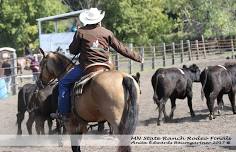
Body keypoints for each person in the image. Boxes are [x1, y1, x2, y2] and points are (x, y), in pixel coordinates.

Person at [52, 8, 142, 121]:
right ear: (99, 20)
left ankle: (64, 113)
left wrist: (78, 39)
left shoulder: (81, 32)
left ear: (87, 20)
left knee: (64, 83)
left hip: (87, 68)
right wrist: (138, 57)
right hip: (105, 66)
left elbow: (73, 51)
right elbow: (121, 48)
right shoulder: (107, 32)